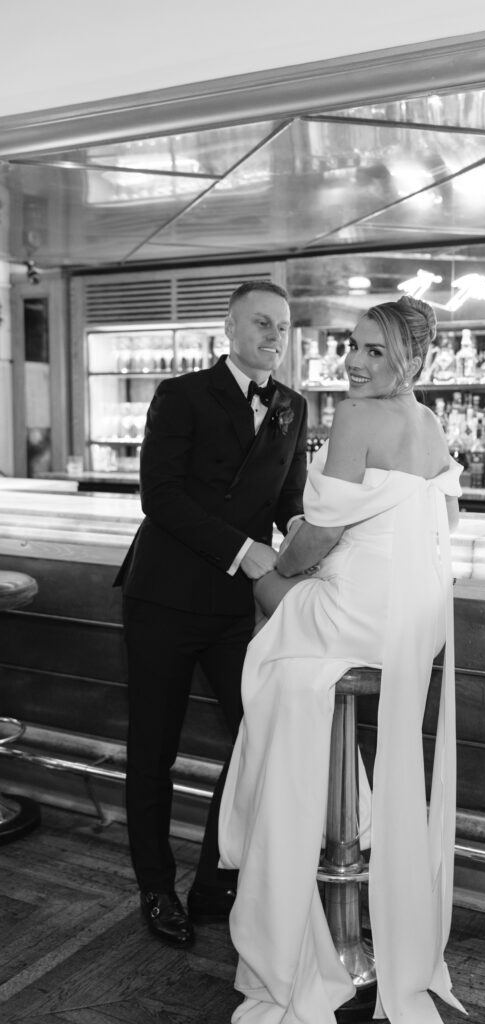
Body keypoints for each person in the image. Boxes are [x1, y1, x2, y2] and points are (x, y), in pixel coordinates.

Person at [218, 295, 466, 1023]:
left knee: (264, 593)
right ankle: (345, 815)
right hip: (410, 624)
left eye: (375, 352)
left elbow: (313, 541)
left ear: (409, 361)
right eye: (352, 346)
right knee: (286, 601)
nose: (354, 362)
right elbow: (443, 518)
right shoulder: (426, 421)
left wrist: (284, 553)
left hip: (355, 618)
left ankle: (273, 819)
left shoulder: (357, 418)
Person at [114, 280, 308, 948]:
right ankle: (155, 887)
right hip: (162, 597)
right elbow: (159, 498)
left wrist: (306, 529)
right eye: (261, 324)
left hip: (231, 609)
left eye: (282, 328)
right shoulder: (182, 395)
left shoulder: (292, 406)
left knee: (257, 733)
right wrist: (244, 551)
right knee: (153, 750)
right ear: (228, 327)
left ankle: (212, 880)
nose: (273, 338)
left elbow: (286, 497)